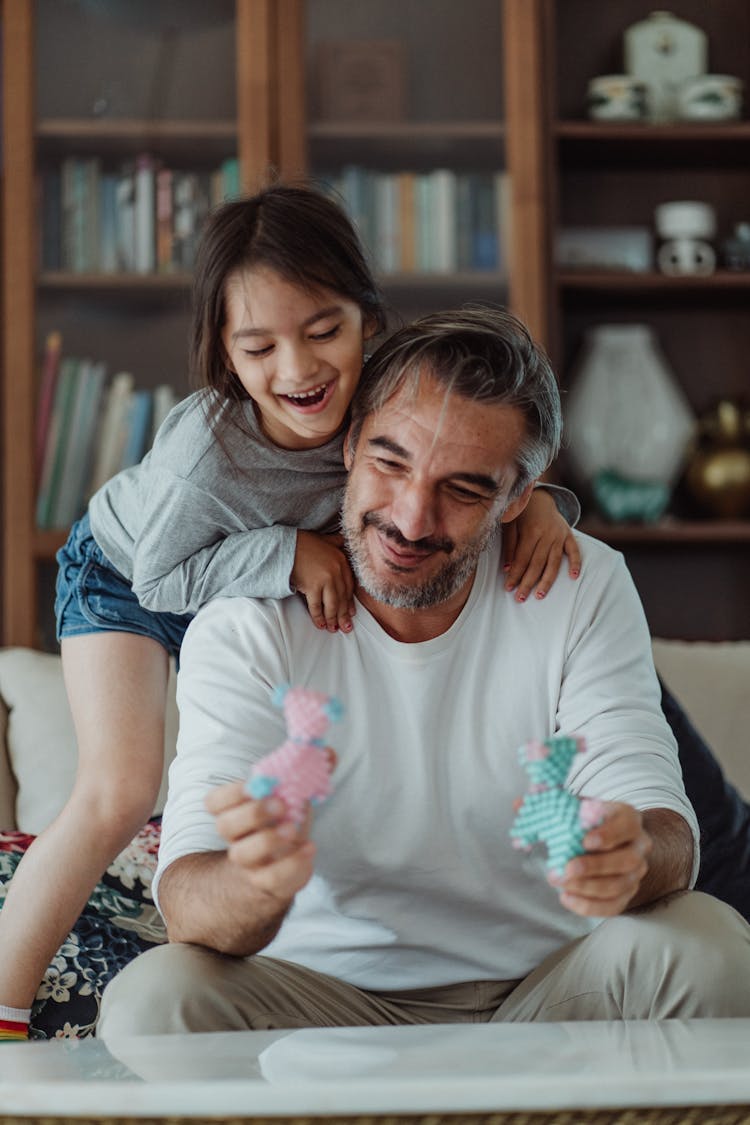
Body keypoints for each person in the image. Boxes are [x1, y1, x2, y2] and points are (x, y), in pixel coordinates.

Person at [0, 187, 580, 1039]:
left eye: (322, 330)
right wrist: (287, 553)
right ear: (225, 356)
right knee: (119, 790)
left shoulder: (390, 395)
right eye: (259, 345)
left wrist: (543, 505)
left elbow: (471, 463)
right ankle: (7, 1010)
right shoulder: (208, 449)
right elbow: (163, 575)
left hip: (238, 588)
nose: (298, 370)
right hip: (131, 574)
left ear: (367, 320)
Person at [98, 305, 750, 1039]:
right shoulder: (250, 615)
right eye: (390, 461)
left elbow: (664, 822)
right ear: (347, 446)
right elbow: (188, 893)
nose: (411, 518)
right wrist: (253, 883)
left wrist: (631, 856)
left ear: (515, 498)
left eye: (464, 489)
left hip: (550, 996)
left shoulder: (581, 583)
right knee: (153, 1003)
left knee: (713, 948)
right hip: (319, 1004)